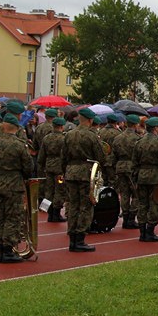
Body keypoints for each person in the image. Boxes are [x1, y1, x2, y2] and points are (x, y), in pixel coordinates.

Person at [0, 114, 34, 263]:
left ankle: (0, 249)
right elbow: (28, 167)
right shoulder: (20, 145)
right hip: (13, 184)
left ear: (3, 127)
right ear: (17, 128)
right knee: (12, 217)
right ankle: (8, 250)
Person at [62, 107, 105, 252]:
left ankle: (72, 238)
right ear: (90, 120)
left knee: (73, 205)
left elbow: (64, 156)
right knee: (86, 206)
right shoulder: (92, 136)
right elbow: (100, 157)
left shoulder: (69, 134)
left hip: (71, 172)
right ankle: (80, 238)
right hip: (86, 173)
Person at [133, 117, 158, 242]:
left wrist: (135, 177)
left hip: (141, 176)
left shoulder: (139, 142)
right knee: (155, 204)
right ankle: (150, 231)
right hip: (155, 177)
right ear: (156, 128)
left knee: (142, 204)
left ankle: (142, 232)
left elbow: (134, 162)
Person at [112, 114, 141, 229]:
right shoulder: (137, 138)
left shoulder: (118, 137)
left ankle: (125, 216)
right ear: (135, 125)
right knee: (136, 194)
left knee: (124, 194)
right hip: (132, 167)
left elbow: (113, 156)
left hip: (120, 166)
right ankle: (131, 218)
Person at [37, 117, 67, 223]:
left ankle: (48, 212)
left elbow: (41, 156)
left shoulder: (46, 138)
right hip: (59, 167)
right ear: (62, 126)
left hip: (49, 166)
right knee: (59, 190)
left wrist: (42, 166)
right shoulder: (64, 138)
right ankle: (56, 213)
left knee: (48, 190)